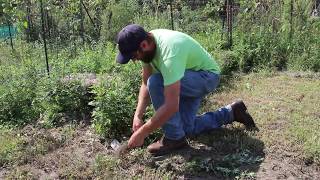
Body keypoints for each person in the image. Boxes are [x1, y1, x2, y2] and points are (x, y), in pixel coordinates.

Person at [116, 24, 257, 156]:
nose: (135, 60)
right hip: (186, 77)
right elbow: (145, 83)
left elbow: (171, 106)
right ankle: (232, 112)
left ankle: (174, 139)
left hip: (206, 76)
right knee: (185, 128)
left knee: (156, 82)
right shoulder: (148, 45)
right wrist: (138, 115)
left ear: (144, 45)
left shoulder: (169, 53)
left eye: (134, 56)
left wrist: (143, 132)